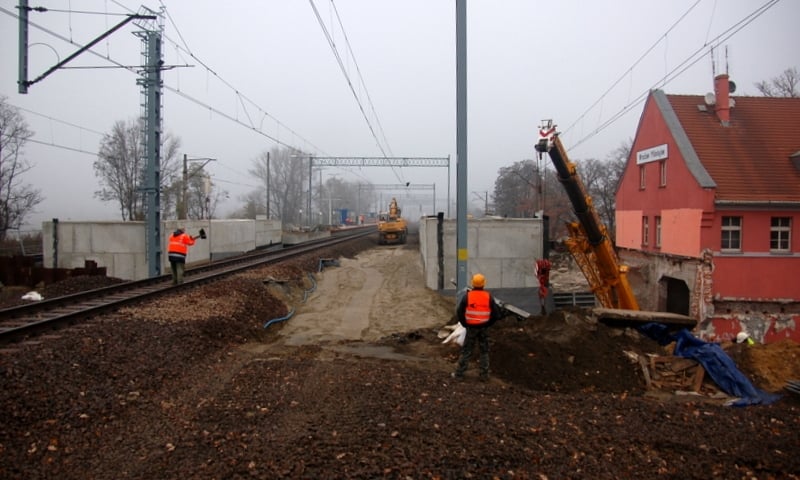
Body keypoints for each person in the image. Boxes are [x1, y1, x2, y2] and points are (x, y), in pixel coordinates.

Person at [452, 273, 502, 382]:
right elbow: (496, 315)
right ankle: (484, 375)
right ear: (484, 284)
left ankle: (459, 374)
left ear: (473, 284)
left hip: (471, 328)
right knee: (484, 351)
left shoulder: (467, 296)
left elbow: (459, 312)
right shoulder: (488, 297)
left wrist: (465, 323)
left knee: (467, 351)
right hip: (484, 328)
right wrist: (488, 323)